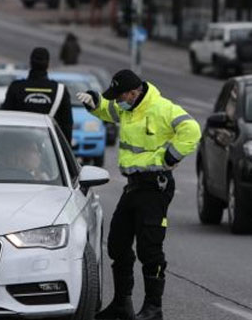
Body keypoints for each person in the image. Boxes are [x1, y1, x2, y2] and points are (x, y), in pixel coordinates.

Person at [77, 69, 201, 320]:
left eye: (120, 96)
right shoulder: (127, 108)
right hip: (133, 186)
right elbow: (108, 110)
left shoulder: (162, 108)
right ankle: (123, 305)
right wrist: (94, 102)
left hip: (155, 186)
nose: (118, 101)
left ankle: (153, 308)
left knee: (149, 249)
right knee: (117, 244)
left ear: (134, 92)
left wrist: (171, 156)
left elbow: (192, 130)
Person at [2, 47, 73, 142]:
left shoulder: (16, 87)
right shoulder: (60, 90)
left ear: (30, 63)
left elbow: (5, 119)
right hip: (48, 149)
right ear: (48, 64)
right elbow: (67, 126)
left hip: (18, 145)